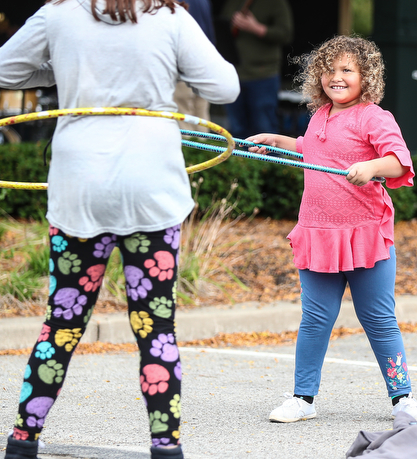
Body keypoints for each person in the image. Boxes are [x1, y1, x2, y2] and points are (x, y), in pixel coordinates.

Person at [0, 1, 239, 458]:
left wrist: (67, 74)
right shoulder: (168, 17)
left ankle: (22, 442)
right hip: (150, 185)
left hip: (80, 185)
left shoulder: (58, 14)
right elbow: (224, 87)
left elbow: (6, 71)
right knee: (156, 330)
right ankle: (166, 448)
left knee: (62, 326)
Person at [245, 35, 417, 424]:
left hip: (364, 235)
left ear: (367, 76)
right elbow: (312, 149)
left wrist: (372, 168)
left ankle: (403, 399)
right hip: (318, 233)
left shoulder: (374, 117)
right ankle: (302, 398)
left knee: (379, 319)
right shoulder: (319, 116)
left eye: (347, 70)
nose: (337, 77)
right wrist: (277, 142)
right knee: (314, 319)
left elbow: (399, 162)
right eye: (329, 70)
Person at [219, 0, 293, 139]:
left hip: (263, 74)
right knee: (236, 128)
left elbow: (286, 34)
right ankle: (240, 160)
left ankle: (269, 161)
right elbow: (222, 27)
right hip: (234, 74)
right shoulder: (232, 3)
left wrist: (255, 27)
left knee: (264, 128)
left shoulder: (277, 3)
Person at [173, 0, 216, 132]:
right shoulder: (203, 1)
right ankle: (206, 152)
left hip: (181, 68)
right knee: (202, 120)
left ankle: (190, 152)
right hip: (204, 66)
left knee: (184, 120)